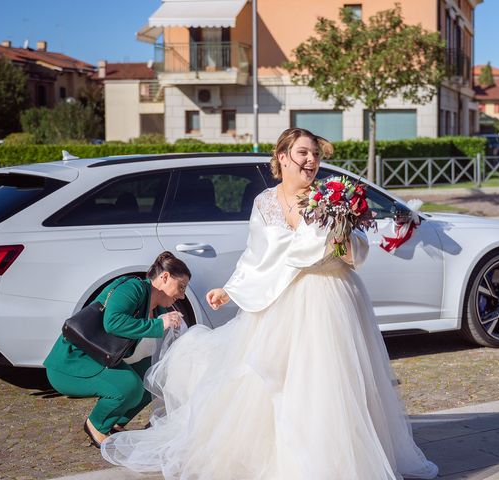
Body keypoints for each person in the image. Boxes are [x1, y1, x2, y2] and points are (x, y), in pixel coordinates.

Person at [101, 128, 438, 479]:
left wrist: (340, 232)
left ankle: (335, 462)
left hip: (331, 299)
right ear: (282, 156)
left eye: (316, 155)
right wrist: (229, 290)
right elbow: (256, 255)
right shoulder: (264, 202)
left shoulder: (333, 197)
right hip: (280, 304)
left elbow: (357, 254)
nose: (311, 161)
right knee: (273, 383)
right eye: (303, 153)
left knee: (329, 384)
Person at [43, 251, 190, 448]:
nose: (181, 295)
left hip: (101, 359)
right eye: (180, 287)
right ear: (164, 277)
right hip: (73, 362)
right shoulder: (133, 288)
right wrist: (157, 324)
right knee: (129, 385)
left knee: (152, 377)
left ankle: (115, 424)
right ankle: (96, 425)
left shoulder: (159, 307)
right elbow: (112, 322)